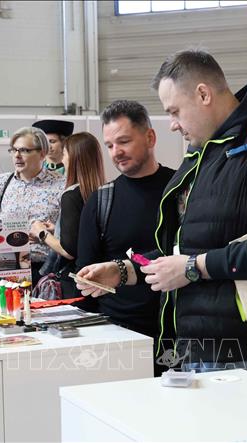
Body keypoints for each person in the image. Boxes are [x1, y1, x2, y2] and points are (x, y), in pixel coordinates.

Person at [77, 49, 247, 375]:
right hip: (195, 346)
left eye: (174, 111)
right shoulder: (204, 151)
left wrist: (194, 268)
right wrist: (123, 271)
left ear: (203, 94)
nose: (173, 125)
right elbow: (184, 249)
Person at [76, 100, 175, 340]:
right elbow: (86, 276)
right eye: (109, 145)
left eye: (124, 141)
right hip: (119, 331)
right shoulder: (101, 201)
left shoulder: (180, 190)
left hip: (177, 328)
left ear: (150, 138)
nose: (116, 152)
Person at [0, 127, 65, 284]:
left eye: (24, 150)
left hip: (42, 270)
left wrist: (44, 235)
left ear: (42, 153)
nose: (17, 155)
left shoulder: (61, 185)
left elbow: (67, 235)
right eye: (14, 150)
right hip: (3, 265)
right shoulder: (1, 182)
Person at [30, 132, 106, 296]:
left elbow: (69, 250)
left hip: (75, 281)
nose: (62, 159)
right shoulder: (103, 192)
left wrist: (41, 232)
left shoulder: (71, 195)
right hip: (101, 278)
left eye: (64, 154)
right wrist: (57, 229)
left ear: (74, 158)